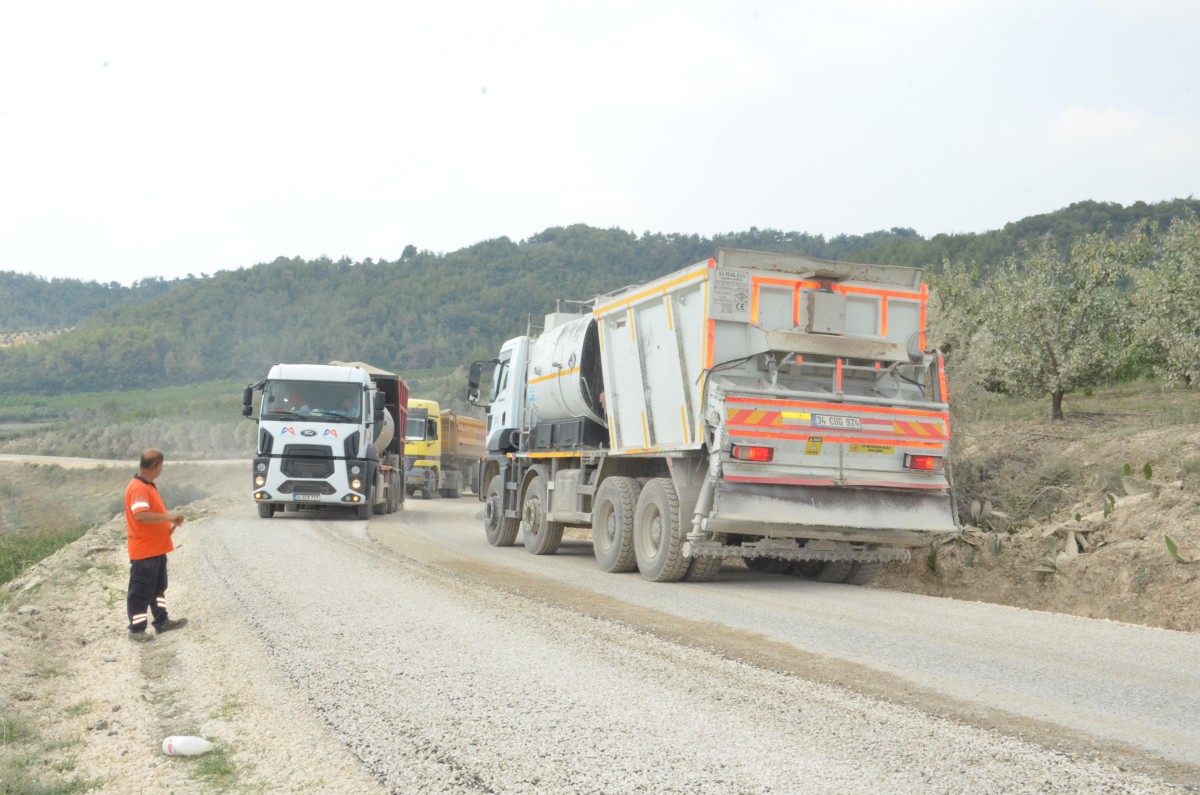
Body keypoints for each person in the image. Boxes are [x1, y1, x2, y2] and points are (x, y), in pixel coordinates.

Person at [124, 449, 189, 642]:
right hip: (145, 551)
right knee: (140, 591)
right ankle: (136, 629)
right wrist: (168, 517)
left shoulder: (147, 486)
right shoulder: (139, 488)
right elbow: (141, 515)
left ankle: (162, 621)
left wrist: (169, 522)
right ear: (157, 466)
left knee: (158, 588)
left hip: (156, 549)